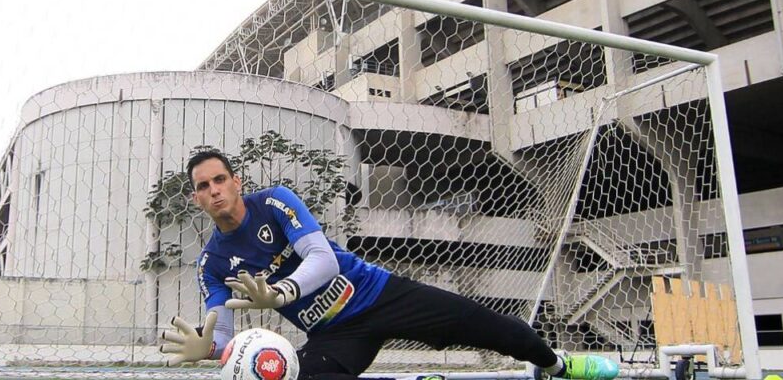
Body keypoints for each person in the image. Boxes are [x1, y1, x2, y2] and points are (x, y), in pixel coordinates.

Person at [161, 149, 619, 380]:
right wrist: (212, 351)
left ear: (236, 182)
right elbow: (218, 333)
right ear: (196, 197)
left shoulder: (275, 203)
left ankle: (557, 367)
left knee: (498, 329)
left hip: (378, 294)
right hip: (335, 334)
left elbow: (321, 260)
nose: (215, 189)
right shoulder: (212, 263)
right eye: (204, 185)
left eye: (221, 179)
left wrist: (282, 293)